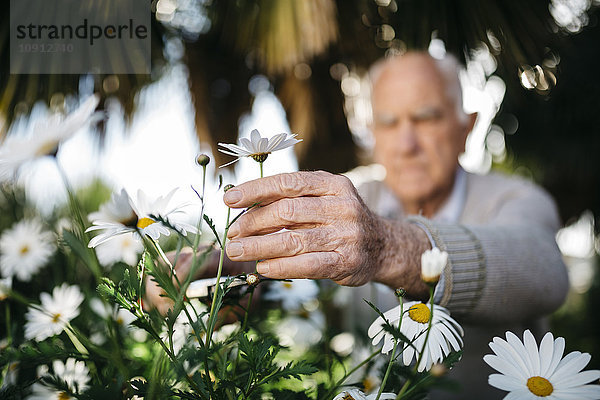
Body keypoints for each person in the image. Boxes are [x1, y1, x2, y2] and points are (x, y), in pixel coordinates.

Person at [148, 51, 568, 398]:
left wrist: (387, 247)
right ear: (372, 132)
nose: (407, 144)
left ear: (466, 127)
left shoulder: (516, 199)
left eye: (426, 118)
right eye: (388, 122)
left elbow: (542, 269)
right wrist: (231, 276)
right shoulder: (354, 193)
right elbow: (300, 290)